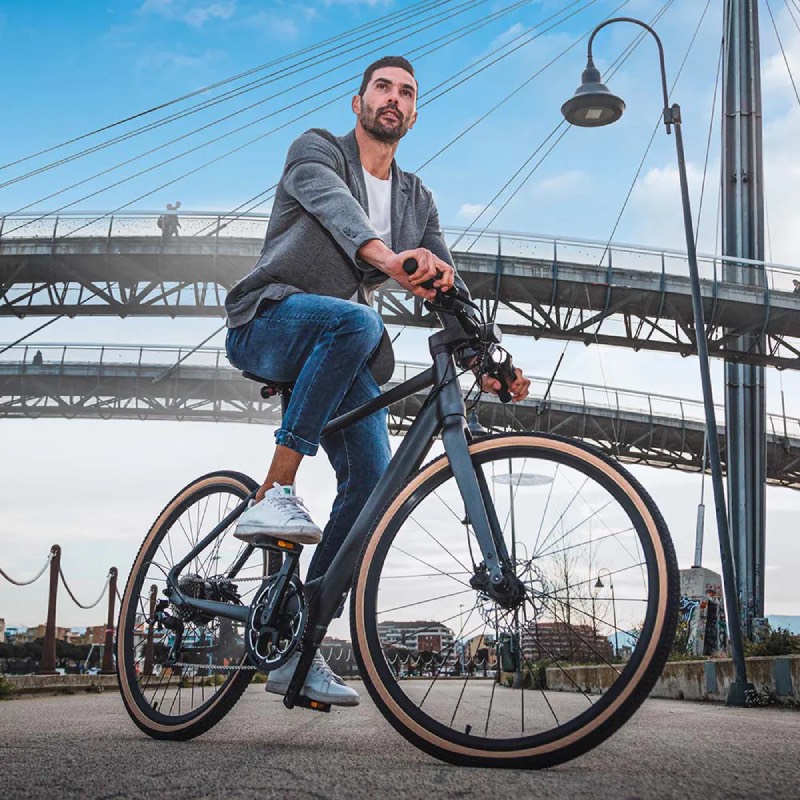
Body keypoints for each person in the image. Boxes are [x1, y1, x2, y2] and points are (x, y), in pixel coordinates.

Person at [224, 56, 530, 706]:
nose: (394, 99)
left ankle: (295, 650)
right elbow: (335, 209)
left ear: (414, 114)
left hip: (337, 348)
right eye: (383, 87)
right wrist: (390, 258)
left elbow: (448, 283)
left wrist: (488, 361)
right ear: (358, 101)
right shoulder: (318, 151)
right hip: (270, 319)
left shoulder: (416, 199)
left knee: (371, 485)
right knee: (359, 325)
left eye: (407, 93)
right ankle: (273, 493)